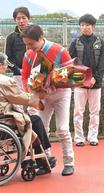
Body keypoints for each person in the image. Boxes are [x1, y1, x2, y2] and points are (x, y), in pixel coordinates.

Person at [0, 50, 56, 174]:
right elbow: (21, 98)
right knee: (35, 121)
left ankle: (37, 157)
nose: (6, 68)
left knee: (28, 120)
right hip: (1, 122)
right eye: (5, 65)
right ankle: (41, 158)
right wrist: (38, 96)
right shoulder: (4, 81)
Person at [21, 24, 74, 176]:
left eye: (31, 44)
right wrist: (33, 91)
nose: (29, 47)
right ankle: (46, 162)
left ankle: (69, 162)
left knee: (62, 129)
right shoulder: (29, 55)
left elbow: (71, 72)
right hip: (42, 97)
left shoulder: (59, 51)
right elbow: (25, 76)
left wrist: (56, 80)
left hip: (61, 94)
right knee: (40, 129)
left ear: (41, 38)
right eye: (26, 44)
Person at [69, 14, 104, 146]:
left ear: (93, 26)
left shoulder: (100, 41)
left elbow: (102, 62)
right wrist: (79, 77)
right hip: (79, 82)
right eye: (82, 25)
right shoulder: (75, 42)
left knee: (95, 111)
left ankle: (93, 137)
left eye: (87, 25)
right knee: (78, 111)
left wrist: (96, 77)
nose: (85, 27)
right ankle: (79, 137)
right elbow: (70, 61)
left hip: (96, 83)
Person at [4, 6, 30, 88]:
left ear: (28, 19)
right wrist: (17, 69)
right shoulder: (11, 37)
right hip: (18, 75)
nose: (21, 21)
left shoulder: (36, 34)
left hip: (34, 74)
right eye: (18, 18)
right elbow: (6, 59)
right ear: (15, 20)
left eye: (23, 18)